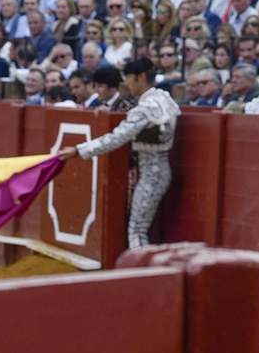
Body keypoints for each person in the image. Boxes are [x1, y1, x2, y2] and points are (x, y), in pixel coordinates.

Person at [58, 57, 178, 251]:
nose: (126, 84)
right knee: (138, 226)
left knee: (137, 229)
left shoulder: (145, 108)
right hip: (156, 170)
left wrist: (78, 151)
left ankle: (142, 276)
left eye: (129, 78)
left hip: (151, 174)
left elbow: (117, 138)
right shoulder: (164, 98)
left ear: (140, 77)